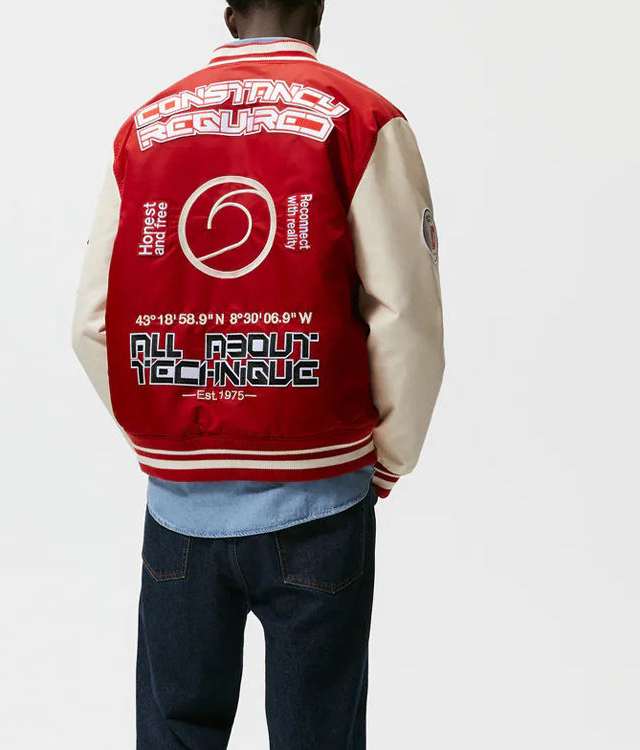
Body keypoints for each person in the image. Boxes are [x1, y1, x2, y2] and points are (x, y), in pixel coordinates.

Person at [72, 0, 444, 746]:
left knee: (176, 732)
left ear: (229, 14)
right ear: (319, 11)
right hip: (319, 496)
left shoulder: (142, 128)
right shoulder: (363, 120)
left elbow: (93, 323)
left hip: (178, 509)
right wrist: (388, 459)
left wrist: (168, 438)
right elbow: (404, 315)